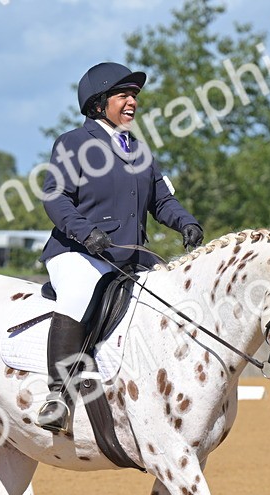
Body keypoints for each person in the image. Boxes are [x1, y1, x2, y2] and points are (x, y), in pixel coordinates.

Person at [37, 61, 203, 434]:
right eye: (124, 95)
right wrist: (86, 233)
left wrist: (186, 222)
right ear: (99, 103)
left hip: (129, 257)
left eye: (135, 97)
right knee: (80, 291)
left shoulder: (139, 150)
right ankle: (57, 394)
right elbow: (56, 198)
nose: (132, 102)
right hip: (78, 253)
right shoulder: (73, 144)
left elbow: (162, 200)